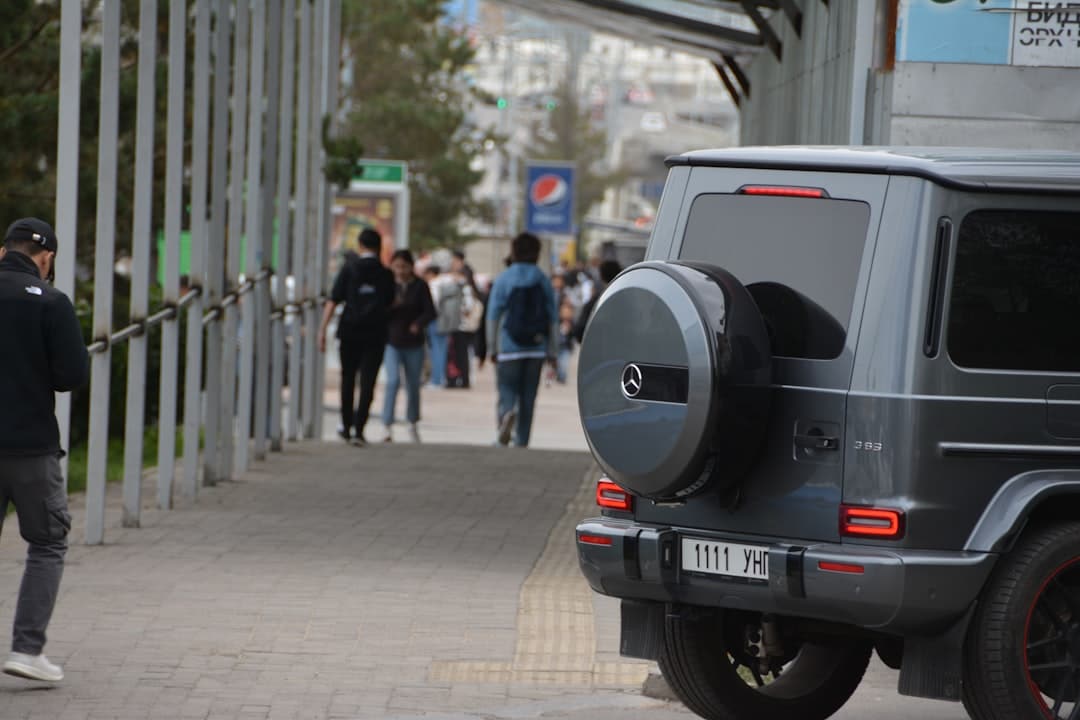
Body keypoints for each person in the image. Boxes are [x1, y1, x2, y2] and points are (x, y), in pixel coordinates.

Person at [0, 218, 88, 683]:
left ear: (2, 252)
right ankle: (26, 650)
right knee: (48, 542)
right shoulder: (51, 303)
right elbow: (72, 376)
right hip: (31, 448)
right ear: (47, 259)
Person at [318, 227, 394, 446]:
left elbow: (334, 299)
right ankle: (360, 429)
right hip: (375, 333)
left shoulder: (349, 269)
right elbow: (390, 301)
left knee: (348, 378)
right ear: (378, 247)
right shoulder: (385, 274)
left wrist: (322, 329)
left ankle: (346, 425)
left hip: (350, 331)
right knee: (368, 381)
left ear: (360, 245)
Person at [485, 232, 558, 448]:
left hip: (509, 347)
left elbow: (493, 316)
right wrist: (552, 351)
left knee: (506, 389)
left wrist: (492, 347)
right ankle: (523, 440)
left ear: (514, 251)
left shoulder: (504, 278)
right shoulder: (542, 279)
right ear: (536, 253)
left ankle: (506, 418)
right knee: (528, 397)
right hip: (536, 348)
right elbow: (553, 318)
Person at [381, 250, 436, 443]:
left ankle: (412, 422)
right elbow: (380, 311)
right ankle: (387, 424)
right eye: (397, 266)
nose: (401, 271)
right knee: (393, 381)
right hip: (392, 341)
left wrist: (418, 324)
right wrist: (393, 306)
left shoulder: (420, 286)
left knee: (413, 384)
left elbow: (430, 311)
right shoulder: (387, 286)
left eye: (404, 266)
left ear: (411, 267)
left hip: (414, 343)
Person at [573, 259, 622, 344]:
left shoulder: (596, 302)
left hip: (598, 350)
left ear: (601, 276)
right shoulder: (627, 300)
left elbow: (579, 332)